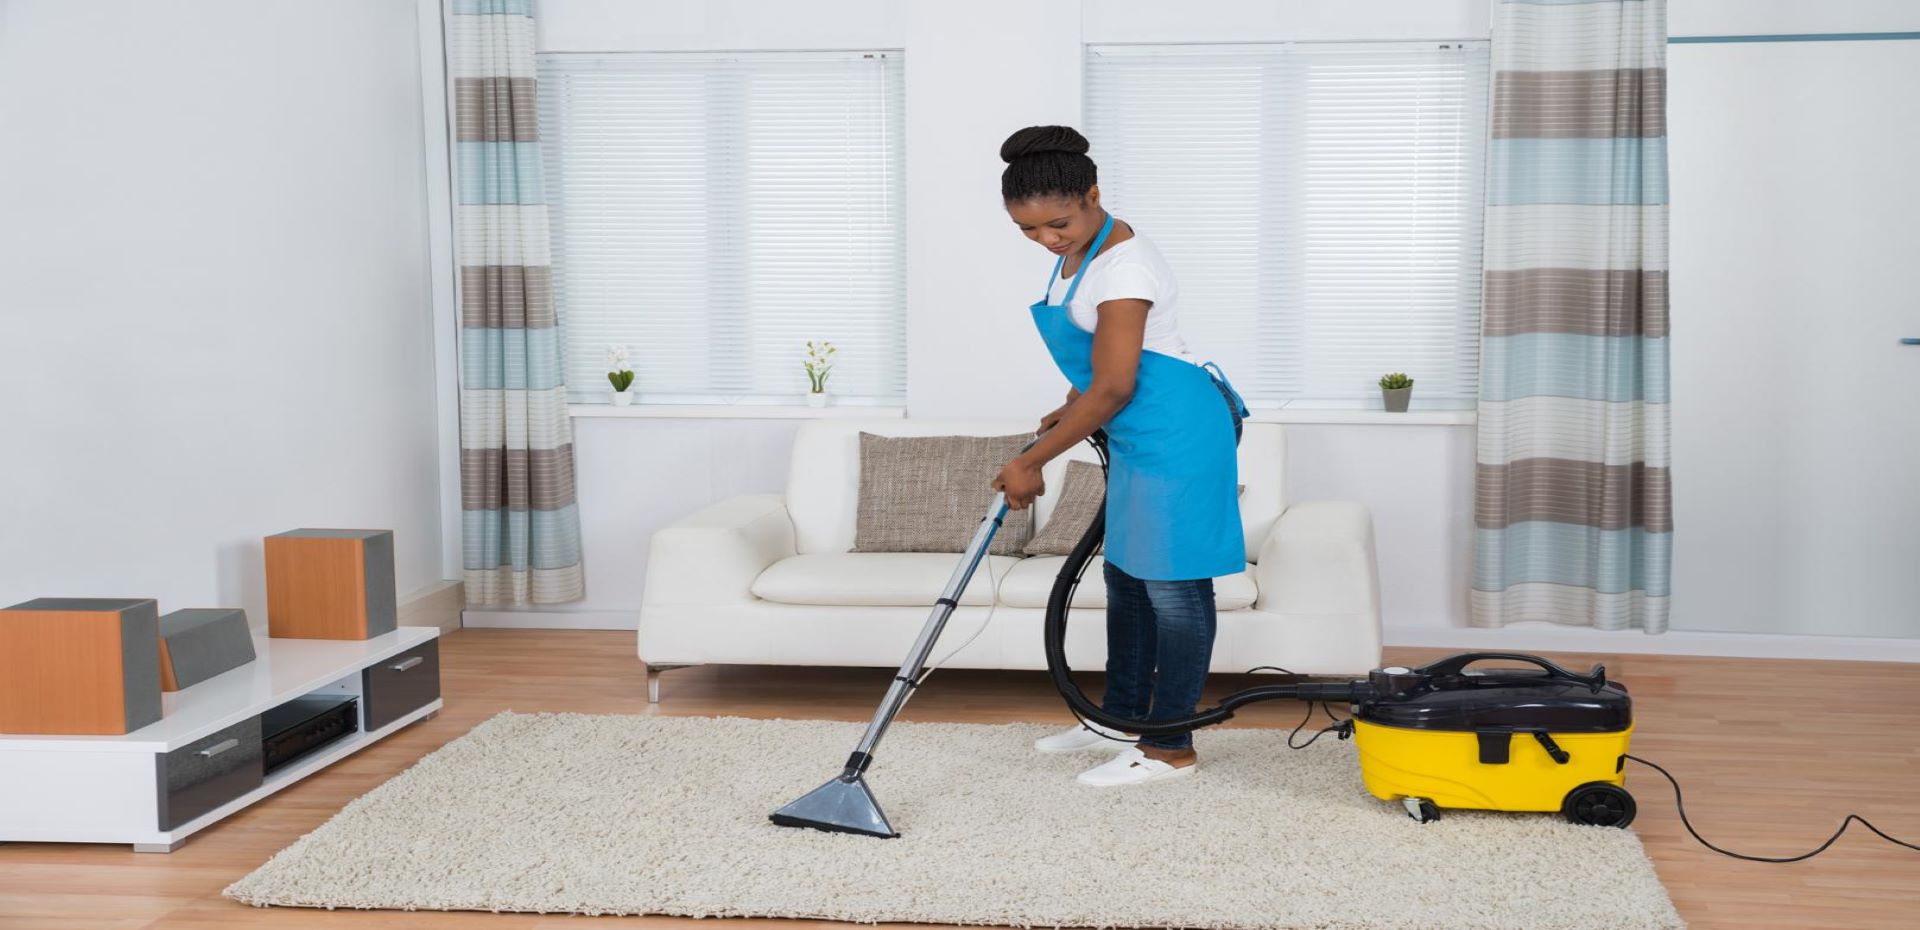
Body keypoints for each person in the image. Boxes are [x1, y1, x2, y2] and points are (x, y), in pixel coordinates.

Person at [990, 125, 1249, 787]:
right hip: (1137, 429)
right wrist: (1070, 401)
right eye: (1028, 230)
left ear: (1093, 195)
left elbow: (1115, 384)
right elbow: (1103, 358)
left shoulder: (1124, 266)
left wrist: (1033, 461)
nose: (1047, 239)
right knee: (1128, 577)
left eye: (1058, 224)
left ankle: (1169, 748)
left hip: (1178, 429)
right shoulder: (1082, 253)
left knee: (1174, 588)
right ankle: (1119, 717)